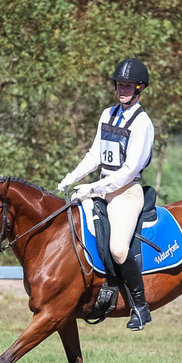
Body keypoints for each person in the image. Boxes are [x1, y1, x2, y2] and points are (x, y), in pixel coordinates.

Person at [57, 58, 155, 330]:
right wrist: (72, 178)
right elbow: (94, 155)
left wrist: (93, 188)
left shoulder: (142, 123)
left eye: (128, 86)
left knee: (118, 248)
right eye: (119, 84)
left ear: (139, 88)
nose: (122, 89)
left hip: (126, 192)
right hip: (102, 188)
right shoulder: (107, 114)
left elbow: (128, 169)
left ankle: (140, 306)